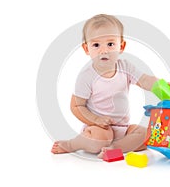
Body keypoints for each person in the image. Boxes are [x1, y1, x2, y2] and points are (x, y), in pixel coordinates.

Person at [51, 14, 163, 158]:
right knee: (100, 139)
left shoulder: (126, 68)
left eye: (110, 44)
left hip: (123, 129)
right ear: (86, 49)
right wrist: (95, 120)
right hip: (98, 129)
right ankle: (73, 144)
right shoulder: (87, 76)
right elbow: (76, 106)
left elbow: (145, 80)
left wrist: (165, 86)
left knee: (148, 135)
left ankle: (114, 148)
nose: (104, 51)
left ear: (121, 46)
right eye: (96, 45)